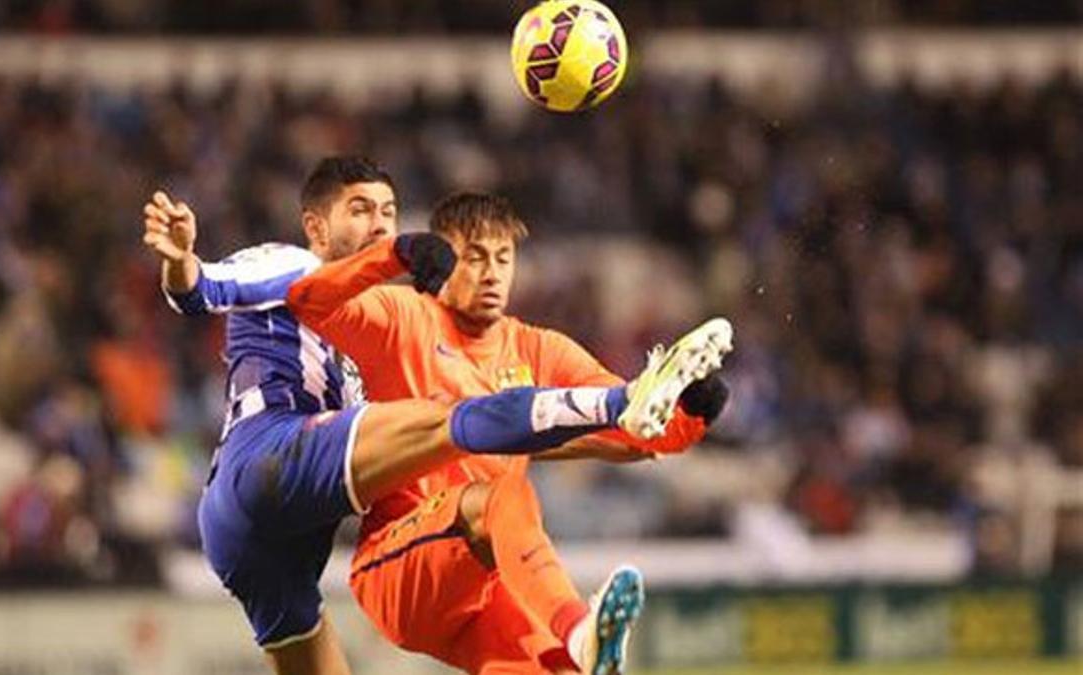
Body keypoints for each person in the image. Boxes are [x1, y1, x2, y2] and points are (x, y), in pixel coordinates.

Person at [141, 158, 732, 675]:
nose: (377, 224)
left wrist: (685, 418)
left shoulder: (534, 347)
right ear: (317, 225)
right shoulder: (352, 291)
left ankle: (577, 652)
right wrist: (183, 266)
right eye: (360, 209)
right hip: (278, 466)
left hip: (307, 548)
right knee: (471, 449)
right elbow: (236, 290)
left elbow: (611, 436)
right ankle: (578, 629)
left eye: (390, 213)